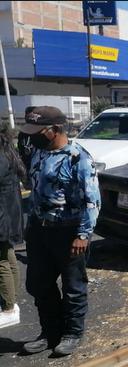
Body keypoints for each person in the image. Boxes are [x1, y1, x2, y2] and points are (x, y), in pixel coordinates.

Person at [18, 106, 101, 357]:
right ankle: (50, 332)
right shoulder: (39, 154)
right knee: (39, 284)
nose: (32, 137)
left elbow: (92, 200)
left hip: (68, 232)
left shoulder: (78, 158)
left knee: (73, 286)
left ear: (54, 131)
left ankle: (72, 333)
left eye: (38, 131)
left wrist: (83, 235)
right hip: (39, 231)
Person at [0, 122, 24, 329]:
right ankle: (12, 300)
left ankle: (9, 307)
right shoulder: (7, 149)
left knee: (1, 261)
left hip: (2, 216)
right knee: (8, 256)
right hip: (9, 213)